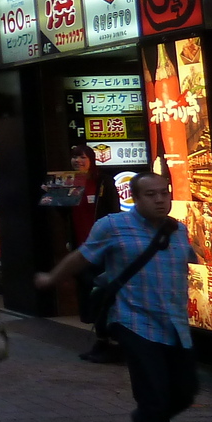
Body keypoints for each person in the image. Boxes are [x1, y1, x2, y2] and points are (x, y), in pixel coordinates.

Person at [36, 172, 198, 422]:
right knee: (153, 395)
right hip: (134, 321)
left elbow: (191, 263)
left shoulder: (178, 230)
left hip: (175, 324)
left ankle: (147, 420)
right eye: (150, 195)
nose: (159, 200)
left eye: (163, 193)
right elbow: (82, 257)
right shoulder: (112, 226)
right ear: (135, 199)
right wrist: (52, 278)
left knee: (185, 392)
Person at [67, 143, 123, 363]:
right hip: (81, 248)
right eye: (74, 157)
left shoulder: (102, 182)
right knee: (88, 292)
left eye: (82, 157)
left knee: (101, 292)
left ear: (91, 160)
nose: (78, 161)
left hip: (102, 247)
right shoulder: (69, 182)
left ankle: (108, 341)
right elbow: (64, 215)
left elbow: (114, 211)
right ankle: (102, 339)